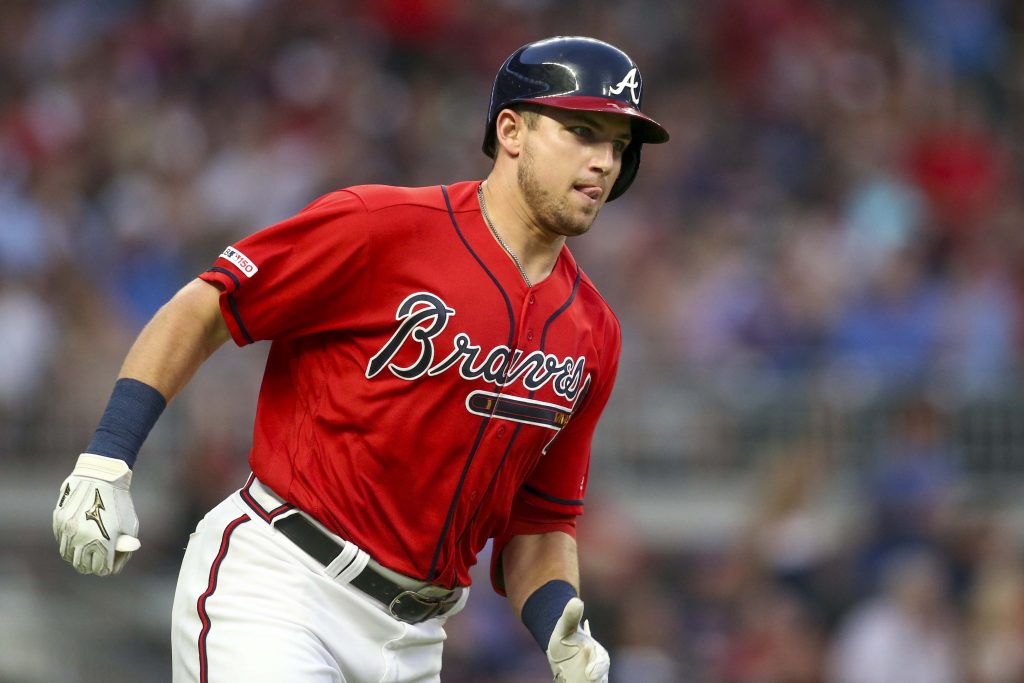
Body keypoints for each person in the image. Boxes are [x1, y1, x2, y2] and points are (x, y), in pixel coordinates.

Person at [52, 35, 669, 682]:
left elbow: (541, 522)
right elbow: (206, 306)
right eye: (581, 131)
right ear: (512, 130)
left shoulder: (593, 331)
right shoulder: (384, 226)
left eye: (618, 146)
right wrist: (108, 454)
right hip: (283, 587)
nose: (603, 160)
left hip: (417, 639)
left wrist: (560, 623)